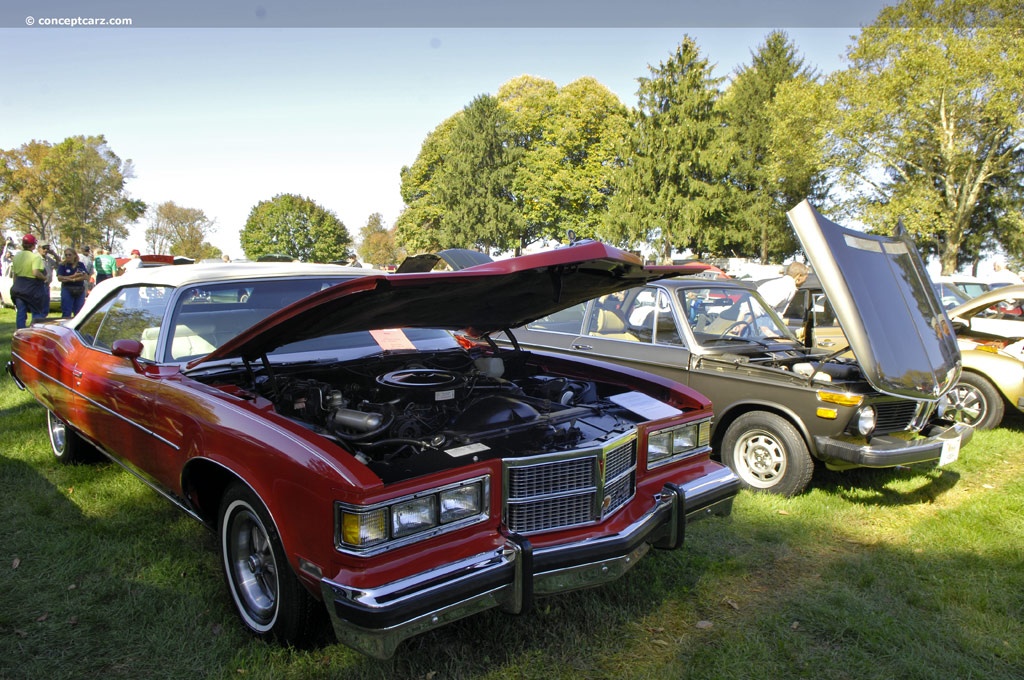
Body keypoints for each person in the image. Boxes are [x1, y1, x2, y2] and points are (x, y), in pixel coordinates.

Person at [10, 234, 48, 329]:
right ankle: (35, 332)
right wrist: (44, 278)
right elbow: (35, 272)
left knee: (21, 313)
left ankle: (20, 333)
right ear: (33, 245)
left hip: (18, 287)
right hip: (32, 289)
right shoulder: (35, 257)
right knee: (37, 312)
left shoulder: (16, 257)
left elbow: (15, 275)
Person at [56, 247, 90, 318]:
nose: (68, 256)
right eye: (66, 255)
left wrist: (68, 278)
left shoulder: (80, 265)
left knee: (79, 312)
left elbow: (85, 277)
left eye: (70, 255)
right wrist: (74, 276)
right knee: (66, 311)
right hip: (67, 289)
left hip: (79, 289)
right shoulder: (62, 265)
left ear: (75, 255)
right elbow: (60, 278)